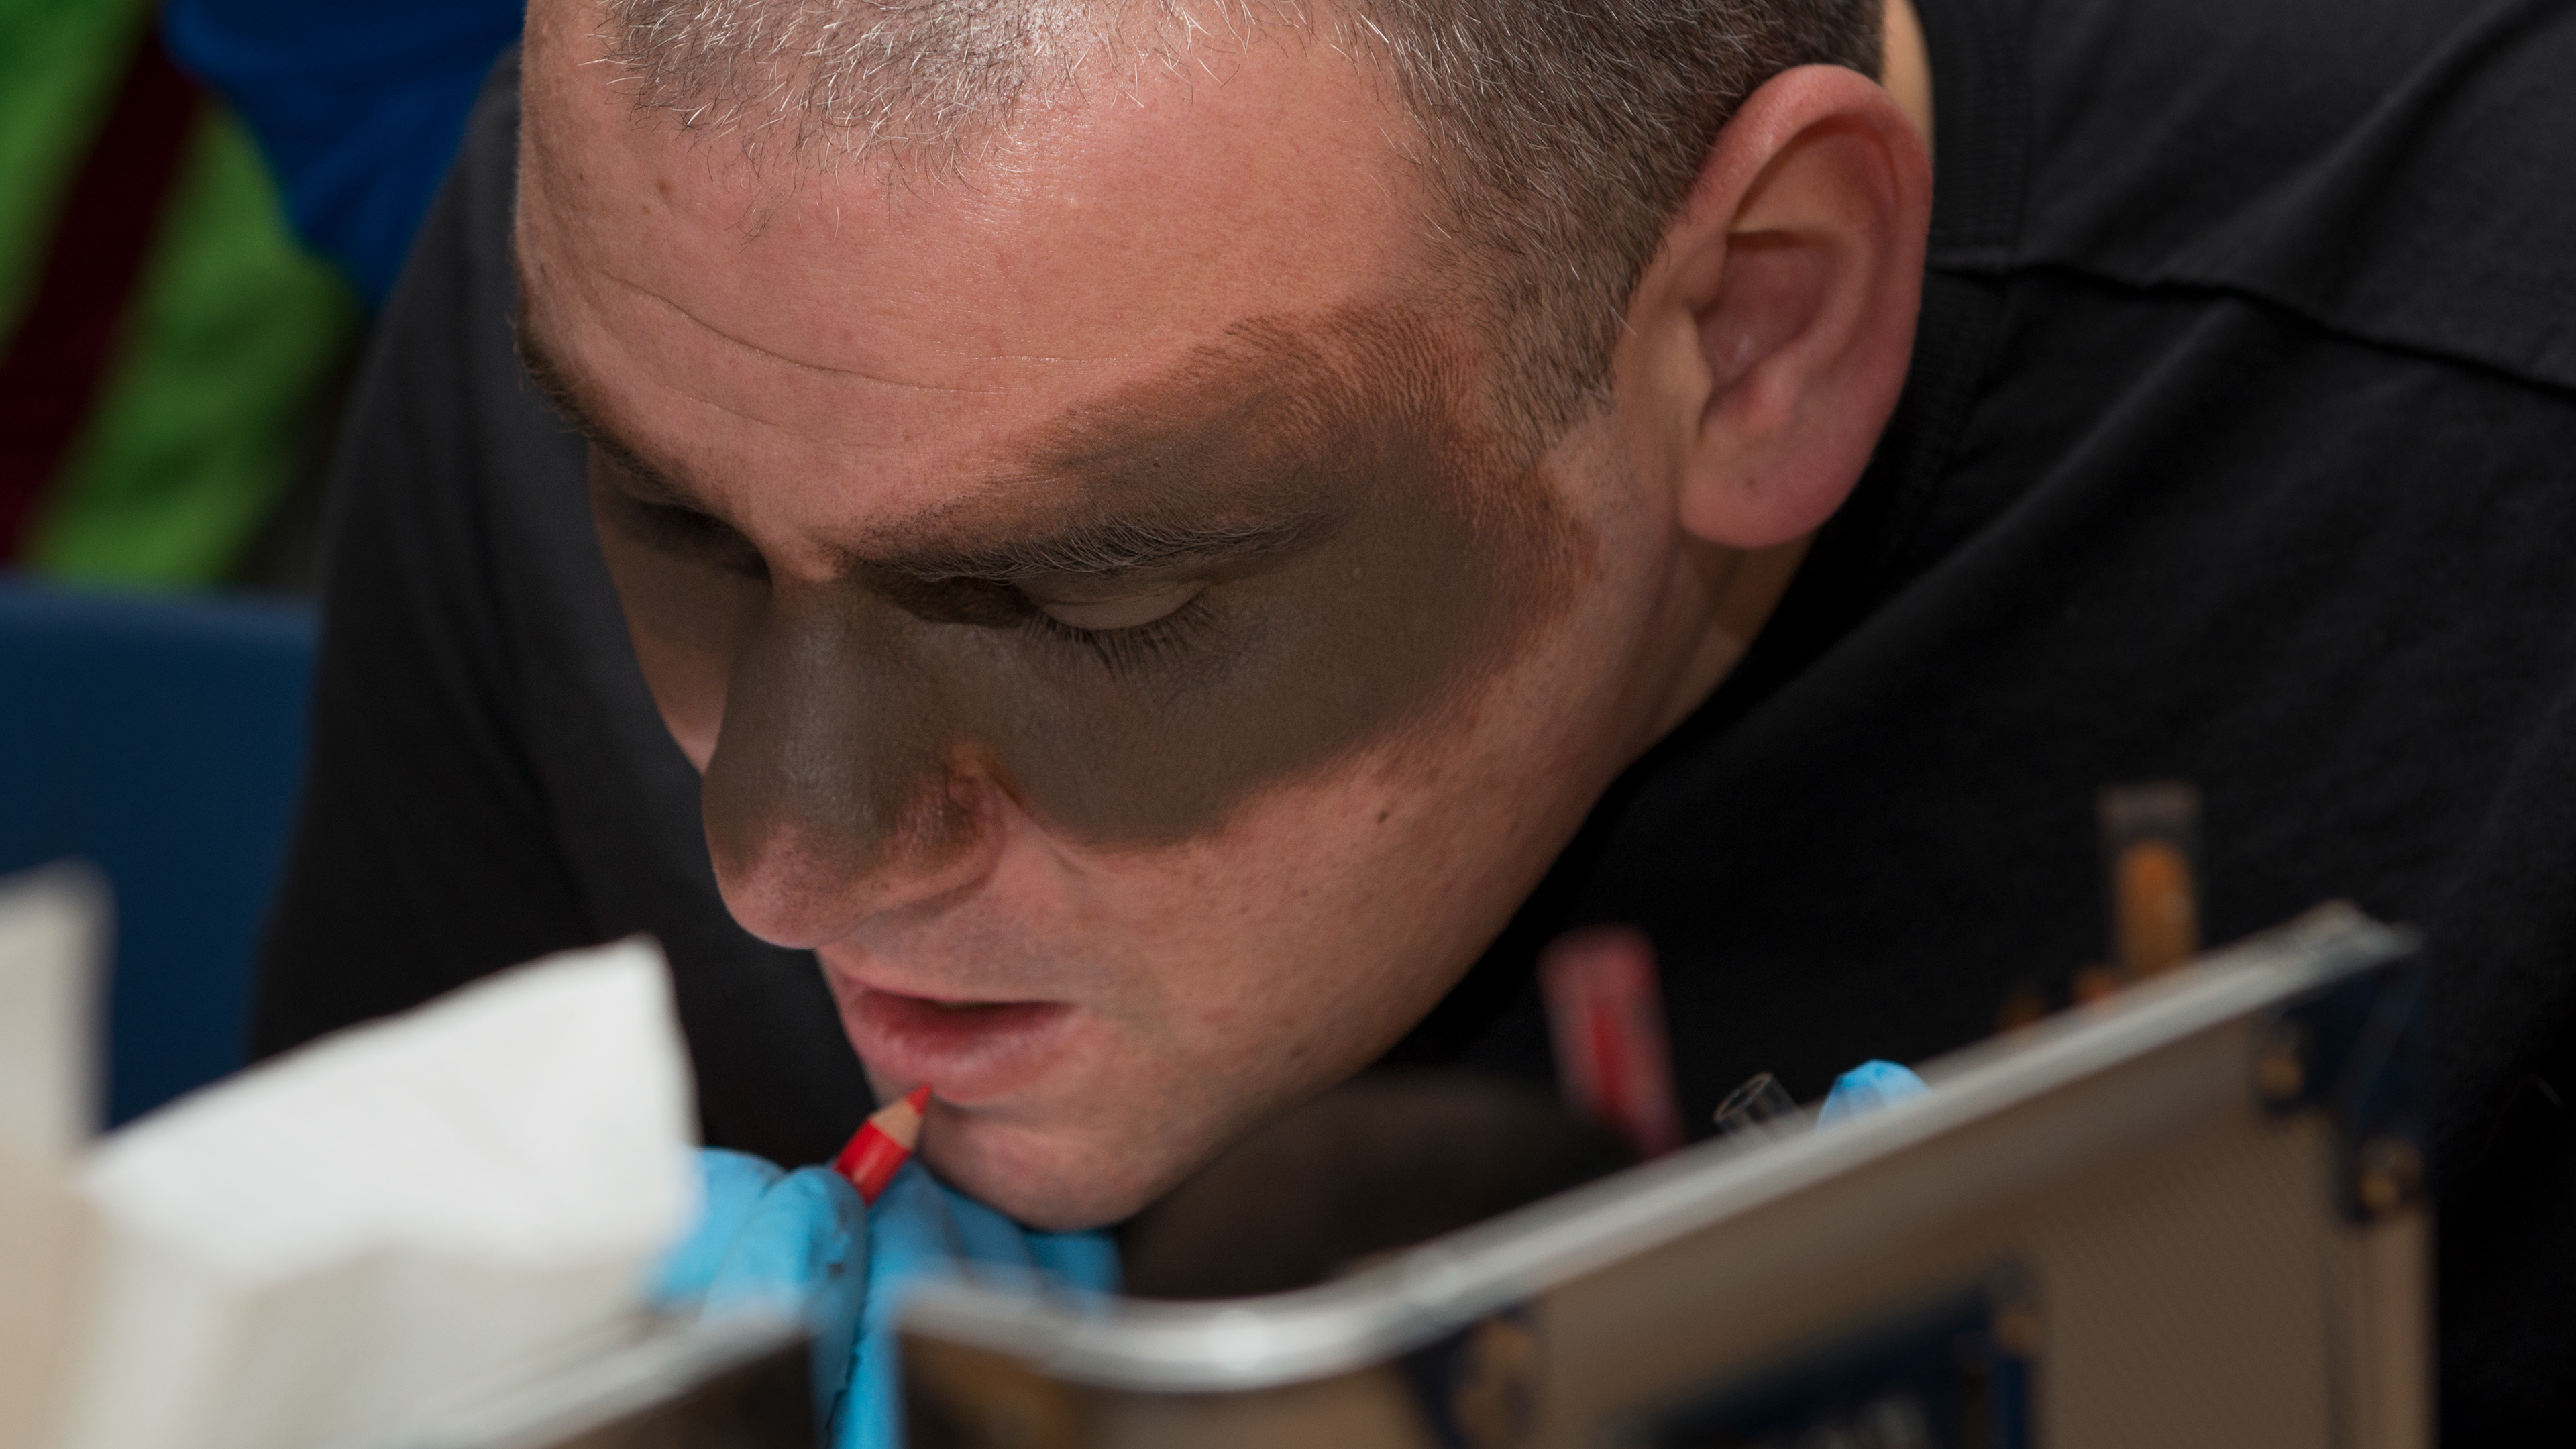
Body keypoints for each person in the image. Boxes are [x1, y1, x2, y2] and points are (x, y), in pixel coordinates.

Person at [254, 0, 2576, 1439]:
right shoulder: (663, 281)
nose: (786, 861)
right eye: (670, 519)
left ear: (1756, 332)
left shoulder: (2497, 484)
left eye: (1083, 596)